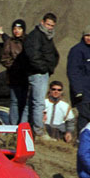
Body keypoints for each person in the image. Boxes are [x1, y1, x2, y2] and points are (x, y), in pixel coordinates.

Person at [23, 12, 59, 140]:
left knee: (31, 102)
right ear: (42, 22)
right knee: (38, 103)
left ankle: (25, 130)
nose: (49, 27)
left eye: (52, 25)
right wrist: (44, 68)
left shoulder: (47, 36)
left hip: (42, 72)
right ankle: (38, 132)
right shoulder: (36, 35)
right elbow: (33, 55)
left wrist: (50, 67)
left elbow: (53, 53)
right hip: (37, 73)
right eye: (48, 24)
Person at [67, 26, 90, 133]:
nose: (89, 38)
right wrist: (78, 91)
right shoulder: (77, 50)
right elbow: (73, 72)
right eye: (87, 35)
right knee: (84, 117)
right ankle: (82, 141)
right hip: (82, 92)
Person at [1, 19, 28, 124]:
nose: (17, 31)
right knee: (14, 101)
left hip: (26, 76)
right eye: (15, 28)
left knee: (25, 102)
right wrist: (14, 66)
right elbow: (4, 58)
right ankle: (13, 126)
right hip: (14, 76)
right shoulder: (9, 42)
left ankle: (23, 124)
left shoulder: (28, 41)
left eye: (19, 28)